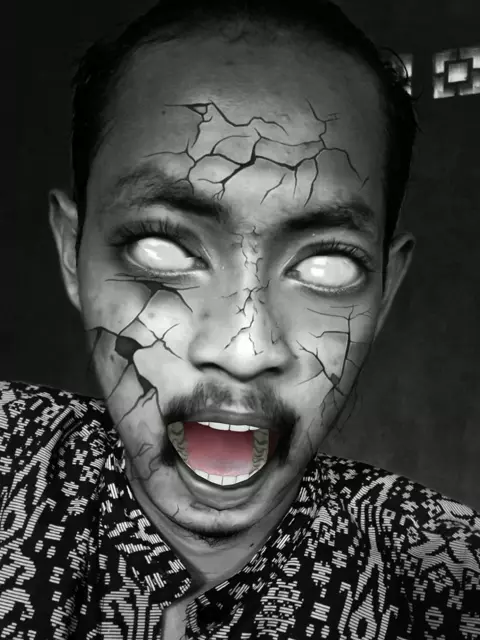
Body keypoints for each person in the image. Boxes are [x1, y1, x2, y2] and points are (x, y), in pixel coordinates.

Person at [1, 0, 479, 638]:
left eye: (328, 264)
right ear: (72, 251)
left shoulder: (446, 573)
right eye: (162, 249)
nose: (244, 349)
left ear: (385, 292)